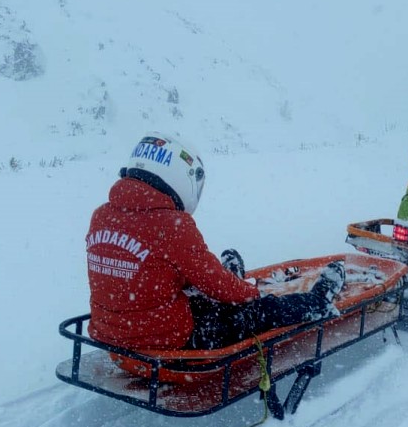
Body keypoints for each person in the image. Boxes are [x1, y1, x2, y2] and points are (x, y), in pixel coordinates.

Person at [86, 132, 346, 353]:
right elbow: (219, 286)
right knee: (255, 313)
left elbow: (151, 270)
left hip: (113, 337)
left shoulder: (101, 215)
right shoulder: (170, 225)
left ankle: (231, 278)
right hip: (167, 343)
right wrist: (254, 295)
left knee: (204, 295)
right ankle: (317, 302)